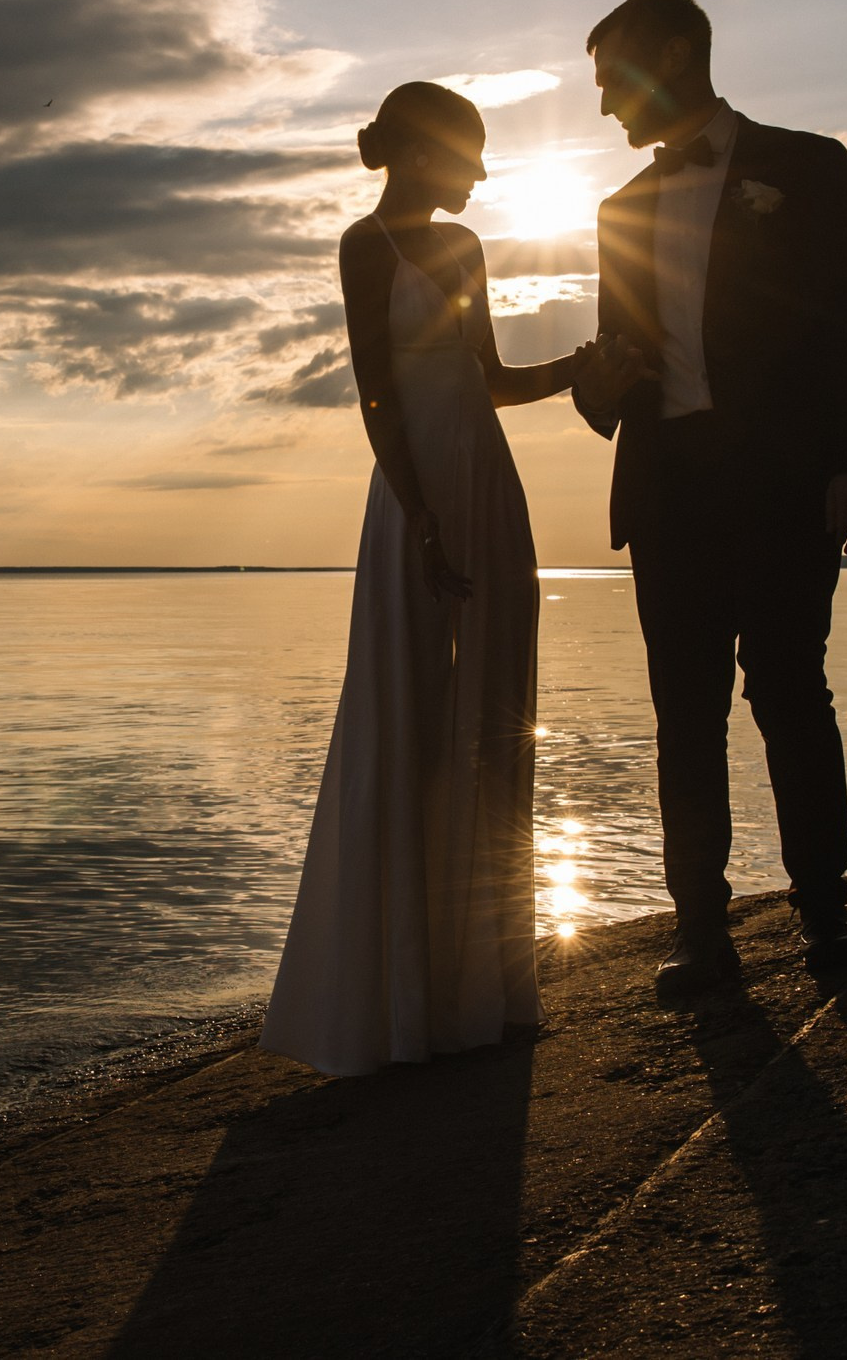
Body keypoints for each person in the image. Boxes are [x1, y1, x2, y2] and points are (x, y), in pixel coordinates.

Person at [261, 82, 596, 1077]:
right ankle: (398, 1000)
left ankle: (479, 989)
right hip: (417, 494)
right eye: (466, 156)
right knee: (410, 720)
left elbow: (486, 375)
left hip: (485, 480)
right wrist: (418, 518)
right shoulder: (369, 247)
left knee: (490, 721)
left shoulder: (468, 250)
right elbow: (377, 392)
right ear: (417, 151)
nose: (475, 178)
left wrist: (577, 367)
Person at [570, 0, 847, 1001]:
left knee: (791, 692)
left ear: (674, 54)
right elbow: (616, 370)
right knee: (684, 712)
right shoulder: (618, 208)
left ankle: (825, 913)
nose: (605, 109)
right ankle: (698, 931)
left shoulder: (805, 166)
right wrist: (597, 381)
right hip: (667, 486)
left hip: (786, 481)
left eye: (614, 82)